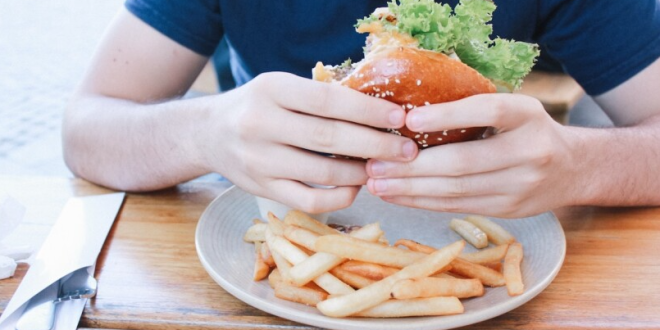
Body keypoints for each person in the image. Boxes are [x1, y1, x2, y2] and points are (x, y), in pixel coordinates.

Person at [63, 0, 660, 218]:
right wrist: (202, 131)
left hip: (494, 248)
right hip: (260, 238)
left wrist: (581, 164)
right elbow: (85, 128)